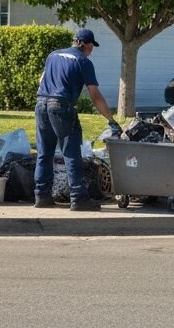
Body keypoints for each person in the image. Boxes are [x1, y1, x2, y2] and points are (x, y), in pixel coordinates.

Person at [35, 27, 121, 211]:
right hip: (62, 106)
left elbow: (42, 80)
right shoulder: (83, 62)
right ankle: (79, 198)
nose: (92, 50)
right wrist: (111, 120)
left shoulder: (53, 55)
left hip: (41, 103)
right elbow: (95, 95)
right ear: (87, 45)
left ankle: (41, 196)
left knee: (44, 151)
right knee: (71, 151)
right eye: (92, 46)